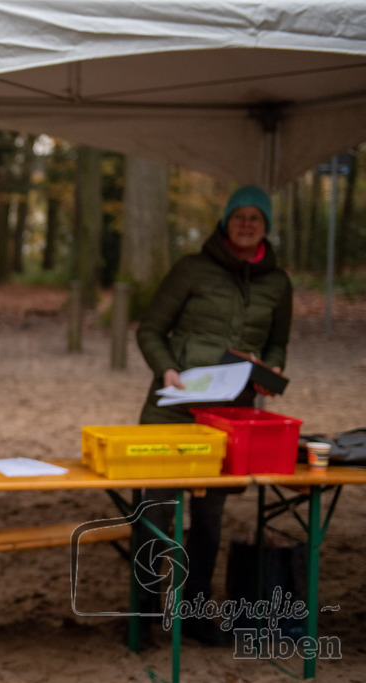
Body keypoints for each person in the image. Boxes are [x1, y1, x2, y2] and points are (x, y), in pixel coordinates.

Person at [134, 184, 293, 646]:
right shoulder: (191, 270)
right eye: (239, 216)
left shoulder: (278, 283)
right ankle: (142, 613)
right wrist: (165, 368)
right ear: (225, 222)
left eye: (256, 218)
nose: (247, 223)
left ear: (266, 227)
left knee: (209, 519)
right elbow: (150, 329)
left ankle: (196, 615)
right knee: (156, 514)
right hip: (171, 410)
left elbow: (279, 341)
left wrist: (274, 368)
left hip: (229, 416)